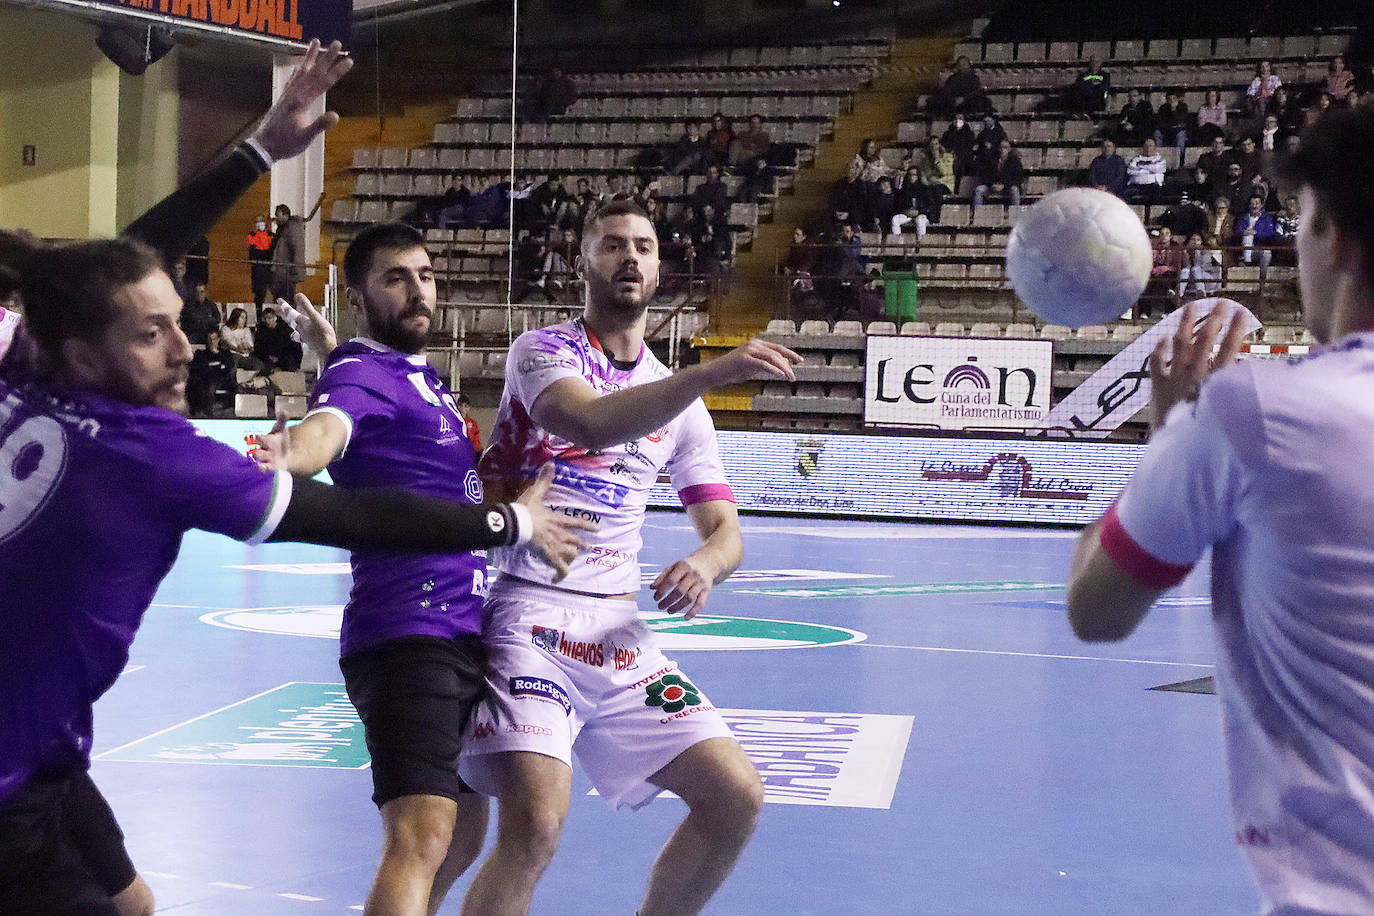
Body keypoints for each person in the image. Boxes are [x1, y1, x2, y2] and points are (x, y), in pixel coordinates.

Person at [0, 40, 578, 916]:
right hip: (13, 791)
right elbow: (350, 510)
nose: (187, 345)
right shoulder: (160, 459)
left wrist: (262, 147)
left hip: (45, 749)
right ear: (86, 350)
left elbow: (111, 271)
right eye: (152, 336)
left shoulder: (31, 372)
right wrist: (506, 526)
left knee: (138, 903)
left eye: (177, 321)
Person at [1067, 105, 1374, 916]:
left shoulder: (1259, 413)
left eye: (1302, 224)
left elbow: (1096, 609)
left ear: (1335, 237)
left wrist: (1169, 435)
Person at [455, 199, 801, 916]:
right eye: (613, 244)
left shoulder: (685, 411)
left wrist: (706, 564)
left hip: (618, 637)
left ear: (660, 265)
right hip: (528, 620)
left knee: (734, 796)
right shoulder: (542, 353)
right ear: (584, 260)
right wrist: (708, 375)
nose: (630, 257)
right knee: (537, 824)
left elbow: (726, 530)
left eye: (643, 245)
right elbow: (590, 420)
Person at [248, 222, 594, 916]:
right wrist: (296, 455)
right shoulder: (359, 375)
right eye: (395, 278)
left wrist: (330, 348)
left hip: (461, 632)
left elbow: (364, 388)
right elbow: (331, 427)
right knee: (422, 836)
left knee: (462, 839)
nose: (417, 291)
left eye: (425, 275)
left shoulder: (411, 374)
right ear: (360, 294)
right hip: (408, 635)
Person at [187, 328, 236, 417]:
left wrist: (214, 364)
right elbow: (199, 369)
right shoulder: (201, 354)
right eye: (209, 340)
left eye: (213, 339)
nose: (211, 342)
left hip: (222, 380)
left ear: (218, 340)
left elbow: (228, 368)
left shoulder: (225, 354)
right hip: (206, 380)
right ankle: (205, 413)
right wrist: (218, 367)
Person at [972, 138, 1024, 207]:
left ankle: (1015, 213)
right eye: (1001, 147)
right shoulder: (991, 160)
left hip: (1008, 187)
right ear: (998, 148)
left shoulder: (1015, 161)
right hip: (992, 186)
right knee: (978, 190)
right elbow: (985, 175)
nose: (1002, 150)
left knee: (1015, 190)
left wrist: (1004, 185)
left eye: (1005, 147)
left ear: (1009, 149)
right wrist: (992, 185)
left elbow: (1018, 179)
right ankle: (978, 213)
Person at [1232, 192, 1278, 271]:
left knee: (1266, 254)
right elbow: (1237, 232)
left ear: (1261, 205)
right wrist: (1243, 233)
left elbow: (1270, 233)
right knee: (1247, 235)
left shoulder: (1267, 218)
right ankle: (1246, 261)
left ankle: (1262, 278)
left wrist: (1256, 233)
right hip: (1242, 248)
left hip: (1258, 248)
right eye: (1252, 203)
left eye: (1257, 203)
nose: (1254, 206)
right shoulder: (1242, 218)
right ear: (1249, 205)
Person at [252, 306, 303, 373]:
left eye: (269, 318)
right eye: (265, 319)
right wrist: (268, 356)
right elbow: (258, 347)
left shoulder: (285, 330)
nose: (267, 321)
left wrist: (280, 359)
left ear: (275, 318)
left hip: (285, 358)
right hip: (267, 358)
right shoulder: (261, 331)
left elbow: (294, 348)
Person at [1124, 137, 1166, 207]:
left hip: (1154, 186)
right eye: (1146, 146)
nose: (1148, 148)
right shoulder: (1136, 159)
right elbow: (1130, 170)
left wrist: (1140, 166)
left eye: (1150, 146)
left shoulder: (1160, 159)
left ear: (1155, 147)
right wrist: (1150, 170)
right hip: (1136, 186)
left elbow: (1157, 168)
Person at [178, 281, 221, 345]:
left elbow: (217, 318)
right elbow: (185, 320)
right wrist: (204, 320)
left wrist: (205, 321)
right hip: (194, 333)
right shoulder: (188, 305)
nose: (199, 294)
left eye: (202, 292)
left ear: (205, 293)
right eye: (197, 292)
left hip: (208, 332)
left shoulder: (211, 304)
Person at [247, 214, 274, 312]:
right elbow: (253, 254)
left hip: (270, 271)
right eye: (257, 222)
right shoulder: (251, 235)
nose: (259, 224)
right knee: (259, 296)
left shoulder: (271, 235)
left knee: (271, 295)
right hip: (257, 272)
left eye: (261, 221)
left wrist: (261, 251)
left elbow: (270, 253)